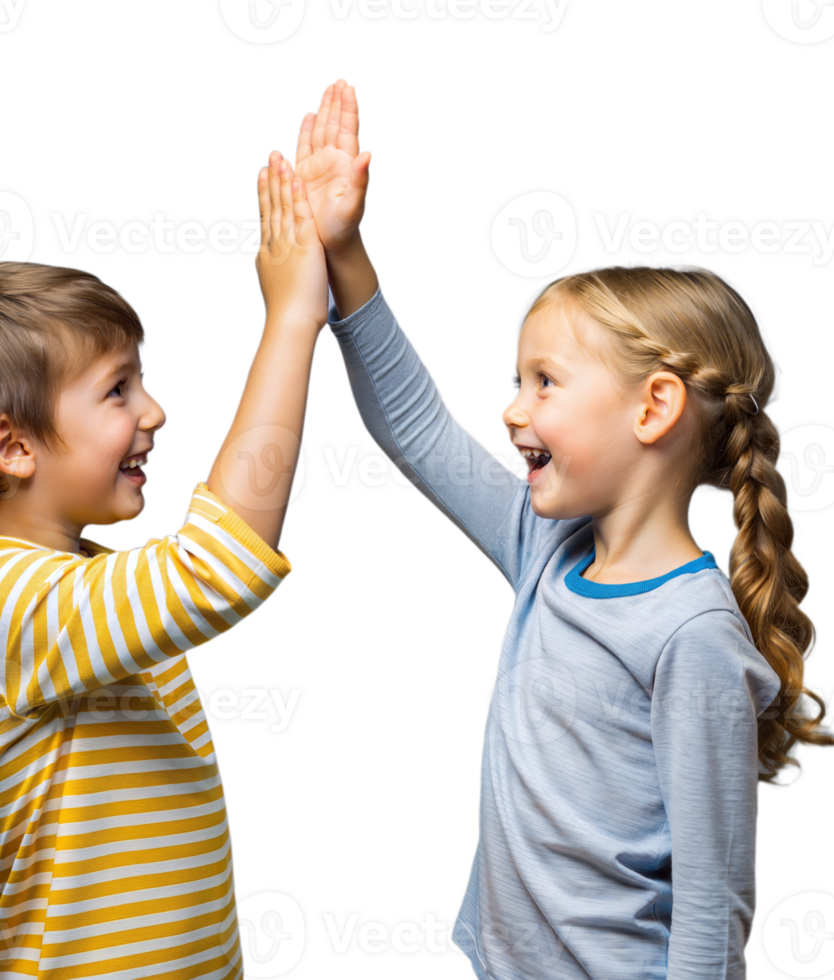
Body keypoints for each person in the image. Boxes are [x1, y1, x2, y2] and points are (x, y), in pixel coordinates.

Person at [290, 77, 834, 978]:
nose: (512, 412)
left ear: (654, 408)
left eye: (544, 382)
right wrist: (345, 250)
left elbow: (713, 908)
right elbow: (417, 428)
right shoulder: (549, 549)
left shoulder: (692, 632)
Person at [0, 151, 327, 979]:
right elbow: (218, 565)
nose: (155, 410)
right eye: (118, 390)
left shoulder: (87, 582)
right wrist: (291, 317)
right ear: (10, 445)